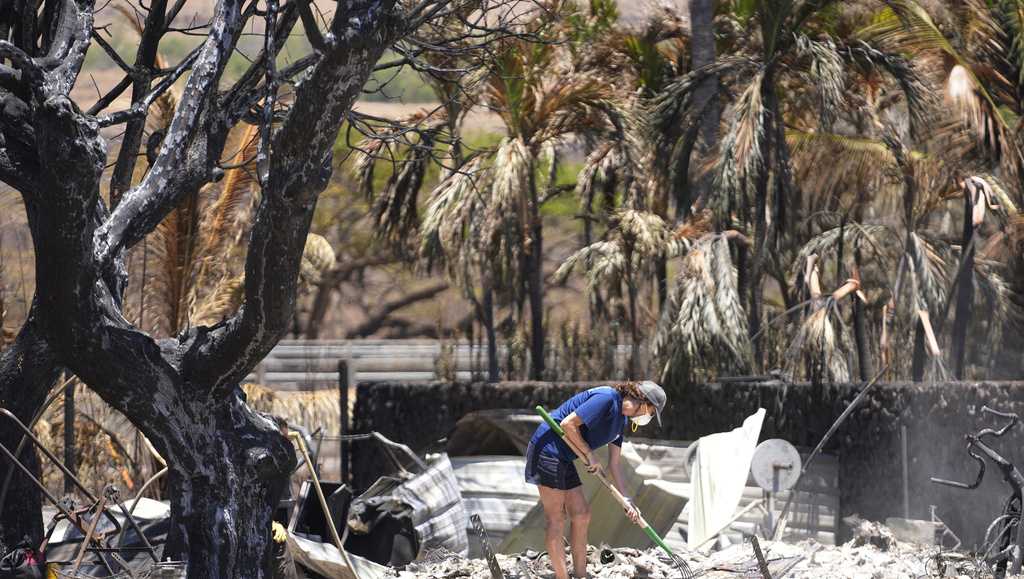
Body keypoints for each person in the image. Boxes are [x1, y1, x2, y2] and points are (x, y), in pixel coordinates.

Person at [524, 380, 667, 579]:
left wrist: (627, 501)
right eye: (652, 412)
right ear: (644, 402)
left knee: (582, 514)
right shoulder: (606, 398)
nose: (648, 417)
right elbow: (567, 424)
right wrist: (590, 455)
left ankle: (581, 575)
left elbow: (614, 464)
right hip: (547, 450)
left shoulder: (621, 423)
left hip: (564, 456)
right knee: (556, 518)